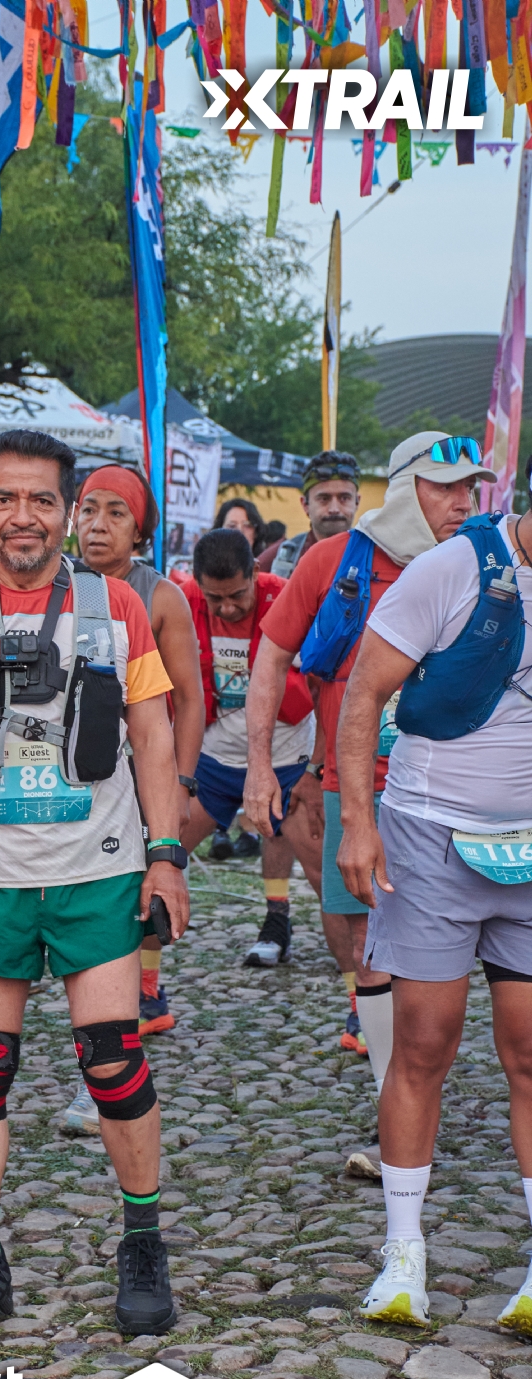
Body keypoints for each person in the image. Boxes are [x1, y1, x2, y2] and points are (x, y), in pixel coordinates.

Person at [0, 428, 189, 1337]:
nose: (22, 517)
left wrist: (168, 854)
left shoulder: (116, 604)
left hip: (96, 868)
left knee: (112, 1057)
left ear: (67, 512)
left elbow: (152, 734)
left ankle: (142, 1241)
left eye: (40, 500)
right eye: (4, 499)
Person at [331, 440, 532, 1330]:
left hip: (530, 855)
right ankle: (404, 1255)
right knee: (422, 1042)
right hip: (431, 836)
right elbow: (363, 698)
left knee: (531, 1053)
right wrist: (359, 823)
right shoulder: (452, 570)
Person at [245, 432, 481, 1096]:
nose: (464, 501)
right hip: (355, 786)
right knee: (362, 940)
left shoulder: (479, 561)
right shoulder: (332, 560)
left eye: (470, 487)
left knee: (446, 948)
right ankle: (391, 1092)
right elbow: (271, 657)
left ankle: (415, 1077)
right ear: (405, 488)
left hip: (449, 791)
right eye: (446, 486)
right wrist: (259, 765)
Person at [61, 463, 204, 1133]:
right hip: (65, 789)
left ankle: (100, 1080)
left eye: (115, 512)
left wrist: (181, 782)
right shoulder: (48, 585)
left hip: (137, 781)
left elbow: (190, 700)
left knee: (117, 924)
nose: (97, 525)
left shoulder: (160, 596)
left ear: (140, 528)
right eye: (88, 509)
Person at [180, 528, 324, 968]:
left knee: (324, 873)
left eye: (237, 595)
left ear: (256, 572)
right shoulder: (181, 601)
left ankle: (286, 926)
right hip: (214, 759)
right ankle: (143, 988)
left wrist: (317, 767)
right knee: (161, 854)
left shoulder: (289, 597)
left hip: (288, 756)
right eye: (214, 598)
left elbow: (328, 685)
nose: (226, 608)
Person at [258, 451, 361, 577]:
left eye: (344, 498)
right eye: (324, 499)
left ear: (357, 502)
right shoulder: (277, 561)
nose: (334, 509)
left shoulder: (374, 556)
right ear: (305, 504)